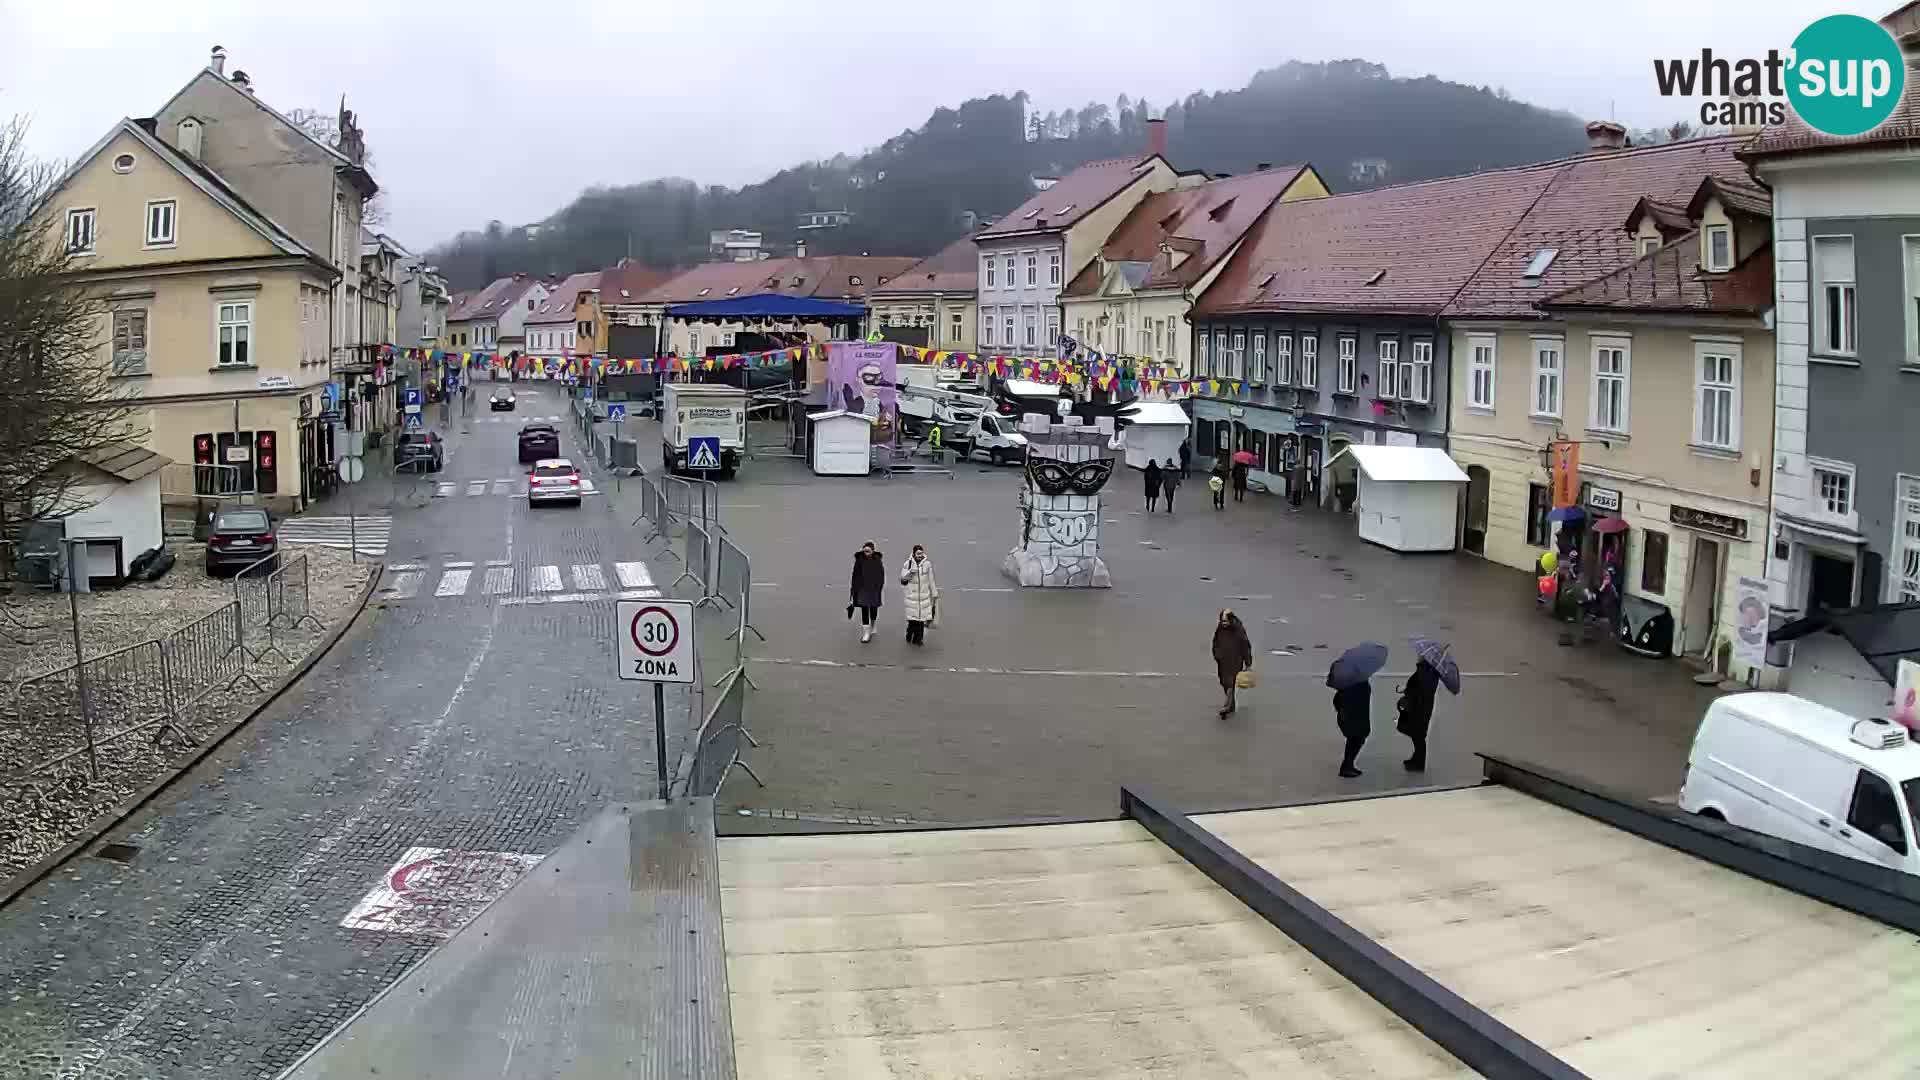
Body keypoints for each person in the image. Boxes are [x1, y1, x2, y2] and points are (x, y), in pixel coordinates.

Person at [1395, 658, 1441, 772]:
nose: (1419, 657)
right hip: (1421, 708)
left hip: (1418, 709)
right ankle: (1416, 759)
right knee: (1417, 736)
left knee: (1418, 736)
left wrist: (1406, 691)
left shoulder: (1425, 674)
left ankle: (1419, 763)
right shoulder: (1429, 673)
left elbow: (1418, 691)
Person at [1211, 609, 1253, 718]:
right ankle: (1231, 706)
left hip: (1235, 661)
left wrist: (1248, 663)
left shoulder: (1239, 630)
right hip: (1222, 662)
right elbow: (1215, 642)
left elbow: (1245, 646)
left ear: (1231, 620)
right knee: (1224, 683)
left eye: (1225, 621)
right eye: (1222, 621)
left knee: (1230, 684)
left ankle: (1226, 707)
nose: (1223, 623)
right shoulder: (1220, 629)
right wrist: (1217, 655)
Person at [900, 544, 939, 646]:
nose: (920, 555)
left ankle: (918, 639)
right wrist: (910, 573)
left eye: (921, 553)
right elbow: (903, 579)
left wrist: (934, 592)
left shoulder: (927, 564)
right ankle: (909, 634)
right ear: (914, 554)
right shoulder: (907, 564)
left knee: (921, 619)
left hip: (923, 596)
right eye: (918, 553)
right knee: (913, 620)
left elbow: (931, 579)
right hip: (912, 597)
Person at [1333, 678, 1372, 778]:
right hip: (1354, 717)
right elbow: (1341, 700)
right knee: (1356, 739)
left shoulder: (1351, 683)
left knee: (1355, 739)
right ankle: (1347, 767)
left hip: (1355, 716)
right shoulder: (1356, 684)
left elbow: (1338, 700)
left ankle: (1347, 765)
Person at [848, 542, 885, 643]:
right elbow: (855, 575)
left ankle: (873, 625)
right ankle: (866, 633)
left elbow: (881, 575)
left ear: (873, 551)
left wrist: (879, 588)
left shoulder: (877, 560)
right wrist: (853, 590)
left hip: (874, 589)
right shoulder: (859, 560)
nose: (866, 553)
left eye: (868, 551)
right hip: (862, 588)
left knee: (873, 609)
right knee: (864, 609)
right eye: (865, 551)